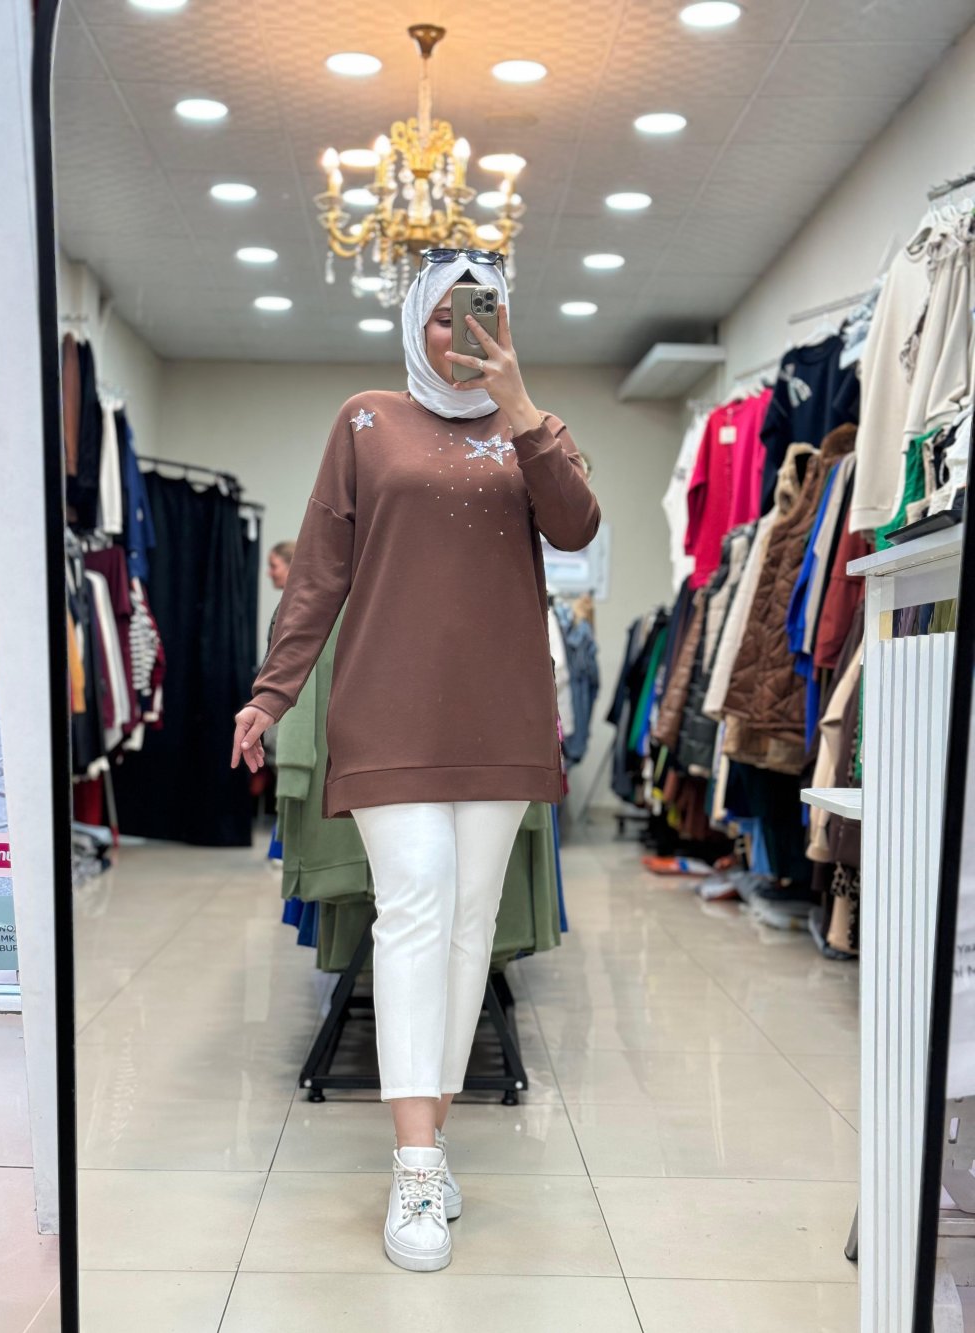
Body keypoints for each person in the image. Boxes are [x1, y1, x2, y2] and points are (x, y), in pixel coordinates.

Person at [231, 249, 600, 1273]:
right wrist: (273, 691)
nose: (463, 334)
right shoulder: (365, 421)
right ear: (414, 325)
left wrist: (519, 407)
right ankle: (416, 1164)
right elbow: (318, 570)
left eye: (484, 316)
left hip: (502, 714)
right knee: (418, 905)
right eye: (445, 316)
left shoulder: (535, 428)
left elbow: (576, 526)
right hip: (387, 710)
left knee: (471, 924)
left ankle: (430, 1132)